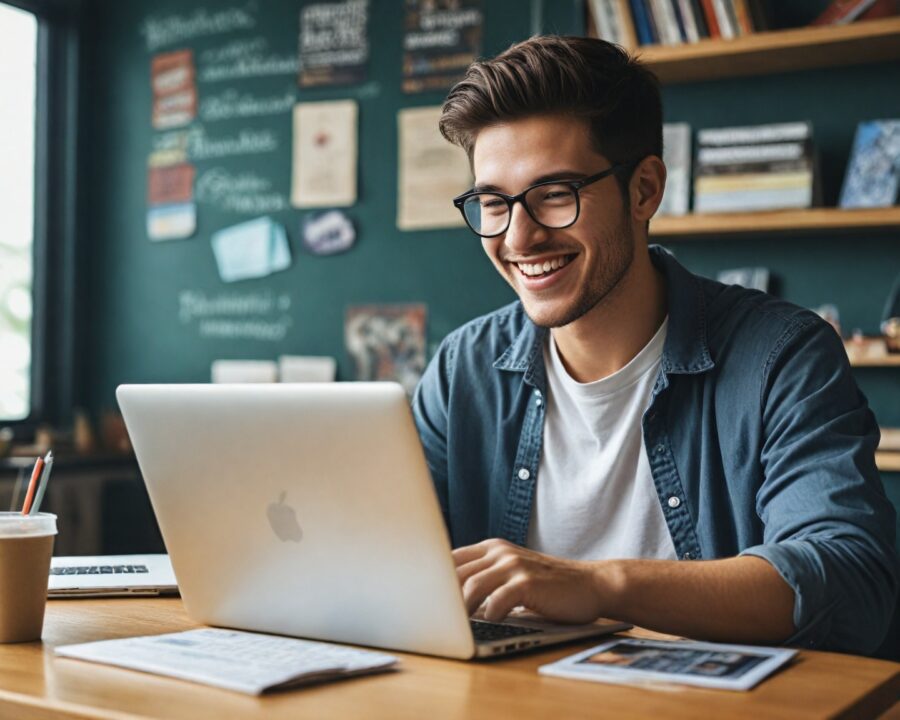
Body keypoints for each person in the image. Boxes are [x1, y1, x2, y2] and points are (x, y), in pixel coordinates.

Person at [411, 35, 898, 656]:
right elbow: (388, 558)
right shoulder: (463, 369)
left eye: (555, 194)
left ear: (644, 190)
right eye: (492, 203)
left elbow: (849, 580)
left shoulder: (784, 356)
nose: (519, 236)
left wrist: (603, 584)